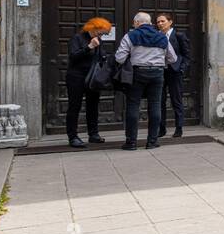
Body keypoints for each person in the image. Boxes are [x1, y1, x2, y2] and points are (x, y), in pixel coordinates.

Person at [115, 11, 176, 150]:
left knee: (133, 105)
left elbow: (119, 58)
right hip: (157, 74)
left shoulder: (130, 35)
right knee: (155, 106)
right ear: (150, 23)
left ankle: (131, 143)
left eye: (134, 23)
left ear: (137, 23)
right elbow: (173, 59)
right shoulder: (162, 36)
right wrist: (160, 61)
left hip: (138, 73)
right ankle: (152, 142)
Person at [66, 17, 111, 148]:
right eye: (101, 32)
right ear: (93, 28)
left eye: (104, 33)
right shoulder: (77, 38)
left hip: (93, 78)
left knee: (93, 106)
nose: (102, 35)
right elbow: (73, 56)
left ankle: (93, 134)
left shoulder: (99, 41)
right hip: (76, 77)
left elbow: (100, 56)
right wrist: (89, 47)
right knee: (74, 106)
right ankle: (73, 137)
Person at [154, 12, 190, 140]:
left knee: (177, 101)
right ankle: (161, 128)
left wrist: (181, 69)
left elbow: (186, 55)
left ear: (170, 22)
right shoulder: (156, 36)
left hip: (174, 73)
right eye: (158, 22)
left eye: (162, 21)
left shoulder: (179, 36)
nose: (160, 24)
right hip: (160, 72)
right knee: (160, 101)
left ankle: (179, 128)